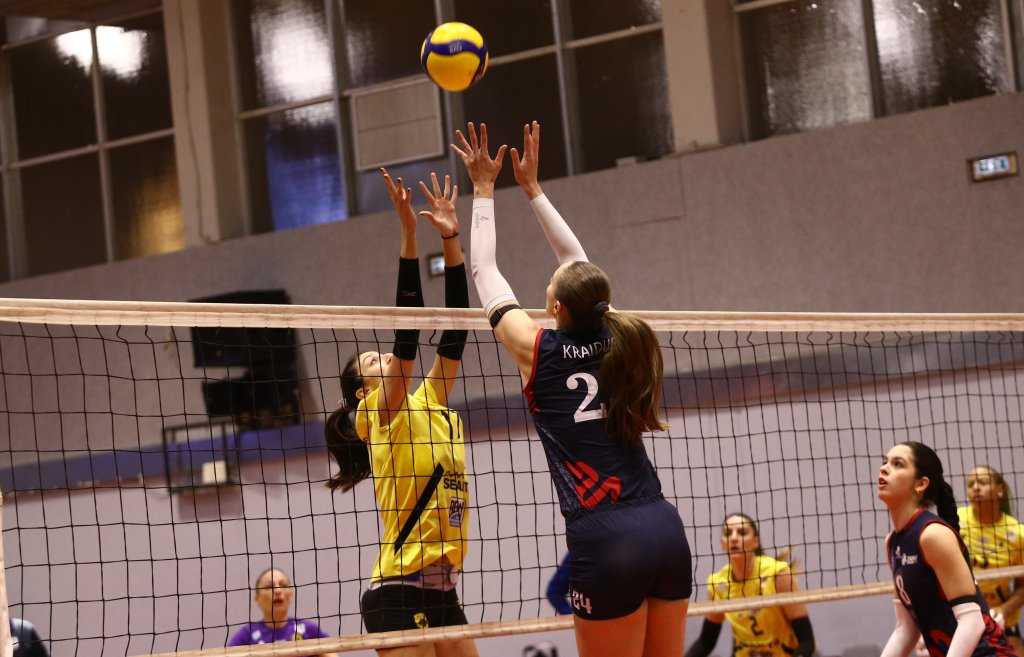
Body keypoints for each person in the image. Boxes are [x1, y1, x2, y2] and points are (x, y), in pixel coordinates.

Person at [453, 120, 692, 657]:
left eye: (549, 288)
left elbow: (485, 270)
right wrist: (534, 189)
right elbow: (577, 263)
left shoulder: (536, 349)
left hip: (606, 540)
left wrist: (484, 190)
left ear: (557, 306)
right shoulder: (619, 337)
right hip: (664, 527)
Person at [323, 169, 478, 657]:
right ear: (360, 393)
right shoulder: (379, 414)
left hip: (442, 590)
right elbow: (407, 336)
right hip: (397, 590)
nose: (383, 357)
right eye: (372, 361)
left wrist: (451, 238)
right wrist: (409, 234)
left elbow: (456, 331)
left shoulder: (427, 402)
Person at [877, 441, 1015, 657]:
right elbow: (906, 629)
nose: (884, 468)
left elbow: (972, 622)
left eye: (898, 464)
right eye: (885, 462)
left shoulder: (933, 534)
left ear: (920, 484)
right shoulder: (893, 542)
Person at [684, 513, 815, 657]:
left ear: (755, 542)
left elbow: (807, 641)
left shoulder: (777, 574)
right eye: (728, 533)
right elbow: (706, 642)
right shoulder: (719, 584)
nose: (734, 538)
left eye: (742, 532)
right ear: (722, 543)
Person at [958, 466, 1024, 656]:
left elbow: (1022, 587)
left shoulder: (1017, 534)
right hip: (961, 616)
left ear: (1000, 490)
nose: (976, 487)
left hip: (1000, 619)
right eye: (971, 484)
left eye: (983, 482)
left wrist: (1003, 610)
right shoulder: (955, 521)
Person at [227, 568, 338, 657]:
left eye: (283, 585)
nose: (278, 590)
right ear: (257, 598)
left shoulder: (308, 629)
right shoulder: (246, 635)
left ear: (291, 595)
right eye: (269, 586)